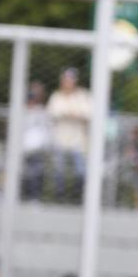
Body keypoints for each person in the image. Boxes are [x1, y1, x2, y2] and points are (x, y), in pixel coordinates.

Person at [47, 68, 91, 202]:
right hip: (60, 140)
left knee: (80, 172)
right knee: (59, 172)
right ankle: (59, 199)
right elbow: (52, 113)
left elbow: (88, 114)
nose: (68, 83)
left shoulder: (82, 96)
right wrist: (71, 113)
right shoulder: (56, 96)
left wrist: (70, 114)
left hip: (78, 141)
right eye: (66, 80)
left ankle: (76, 199)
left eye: (71, 80)